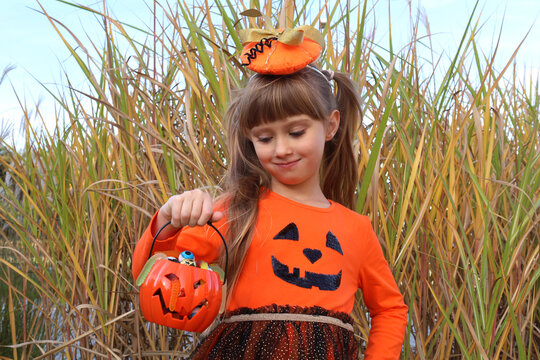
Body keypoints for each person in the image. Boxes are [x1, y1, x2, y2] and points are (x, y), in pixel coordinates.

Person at [132, 24, 408, 360]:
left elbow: (390, 309)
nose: (281, 149)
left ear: (331, 125)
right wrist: (168, 220)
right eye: (265, 138)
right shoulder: (234, 212)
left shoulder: (356, 229)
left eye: (295, 132)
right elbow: (151, 275)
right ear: (251, 139)